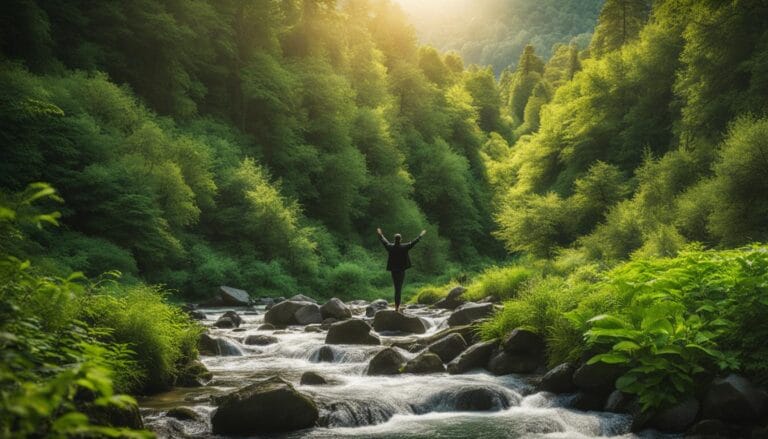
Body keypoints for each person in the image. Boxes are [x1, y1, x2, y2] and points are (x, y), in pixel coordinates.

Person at [376, 227, 426, 313]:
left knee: (396, 288)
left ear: (395, 240)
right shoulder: (404, 247)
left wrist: (380, 234)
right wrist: (420, 235)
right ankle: (397, 307)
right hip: (401, 271)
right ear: (401, 239)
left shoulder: (390, 247)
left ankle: (396, 307)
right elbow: (414, 242)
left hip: (393, 271)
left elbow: (384, 242)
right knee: (399, 289)